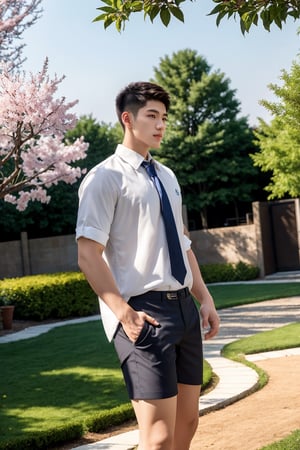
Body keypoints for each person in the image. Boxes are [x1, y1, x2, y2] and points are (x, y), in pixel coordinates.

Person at [76, 81, 220, 450]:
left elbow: (183, 242)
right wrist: (125, 314)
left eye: (164, 117)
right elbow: (88, 254)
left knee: (187, 425)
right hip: (144, 315)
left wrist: (203, 297)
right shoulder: (104, 178)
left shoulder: (167, 177)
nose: (161, 125)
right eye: (152, 116)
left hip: (184, 310)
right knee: (158, 437)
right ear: (128, 119)